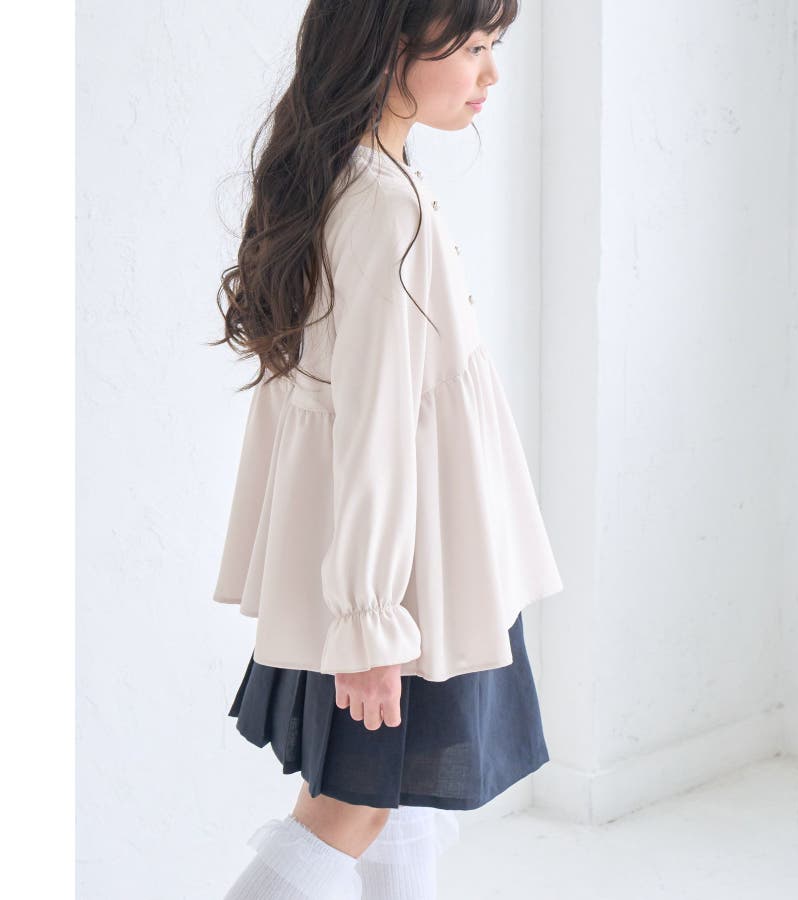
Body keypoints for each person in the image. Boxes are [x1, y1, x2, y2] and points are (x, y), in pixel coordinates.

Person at [209, 2, 563, 897]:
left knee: (400, 797)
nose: (491, 74)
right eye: (473, 47)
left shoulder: (359, 176)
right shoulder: (380, 207)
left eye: (494, 47)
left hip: (411, 570)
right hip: (399, 582)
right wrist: (368, 622)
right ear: (392, 47)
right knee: (351, 807)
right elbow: (371, 423)